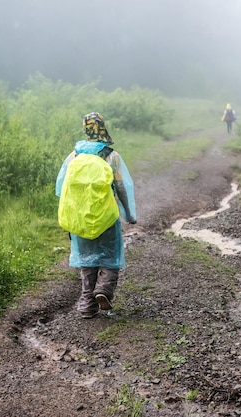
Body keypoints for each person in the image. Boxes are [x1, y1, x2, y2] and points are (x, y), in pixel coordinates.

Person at [56, 112, 137, 319]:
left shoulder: (74, 156)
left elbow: (61, 188)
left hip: (81, 217)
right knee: (110, 257)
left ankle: (86, 306)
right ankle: (104, 291)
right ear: (103, 127)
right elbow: (121, 187)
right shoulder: (111, 155)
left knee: (87, 261)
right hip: (106, 217)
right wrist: (129, 213)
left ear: (86, 129)